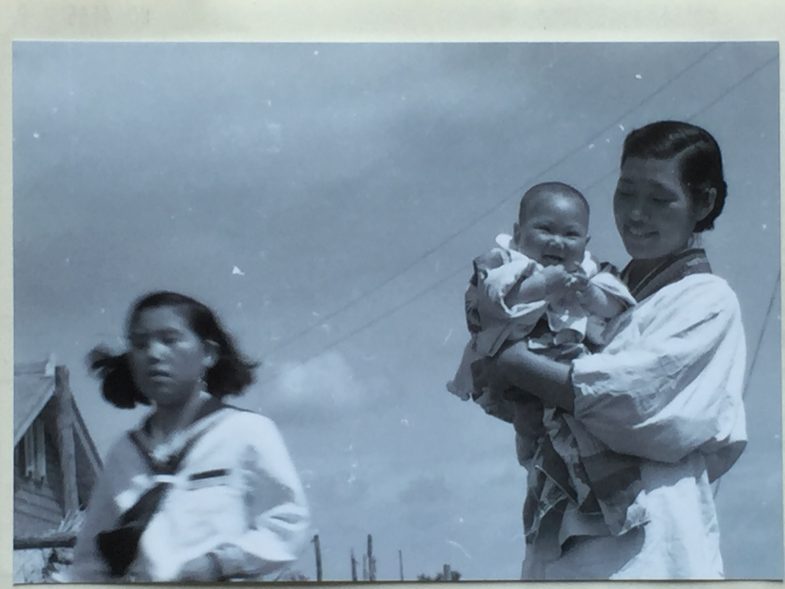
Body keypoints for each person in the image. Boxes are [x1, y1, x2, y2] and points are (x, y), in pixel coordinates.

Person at [474, 120, 747, 579]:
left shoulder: (706, 299)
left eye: (659, 199)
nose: (636, 214)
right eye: (625, 193)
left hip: (650, 551)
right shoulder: (594, 296)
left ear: (703, 203)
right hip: (560, 540)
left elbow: (631, 402)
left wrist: (511, 359)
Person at [69, 291, 311, 582]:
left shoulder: (245, 431)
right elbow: (89, 563)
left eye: (170, 340)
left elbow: (288, 523)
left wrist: (218, 564)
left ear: (208, 353)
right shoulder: (125, 452)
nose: (154, 354)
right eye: (140, 344)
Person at [447, 182, 635, 468]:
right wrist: (543, 284)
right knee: (531, 426)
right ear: (518, 233)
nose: (557, 242)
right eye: (545, 229)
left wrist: (589, 293)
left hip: (569, 367)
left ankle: (581, 469)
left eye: (571, 234)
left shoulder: (590, 271)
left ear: (586, 242)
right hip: (520, 366)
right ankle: (536, 463)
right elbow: (494, 299)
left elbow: (618, 304)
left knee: (583, 429)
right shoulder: (507, 261)